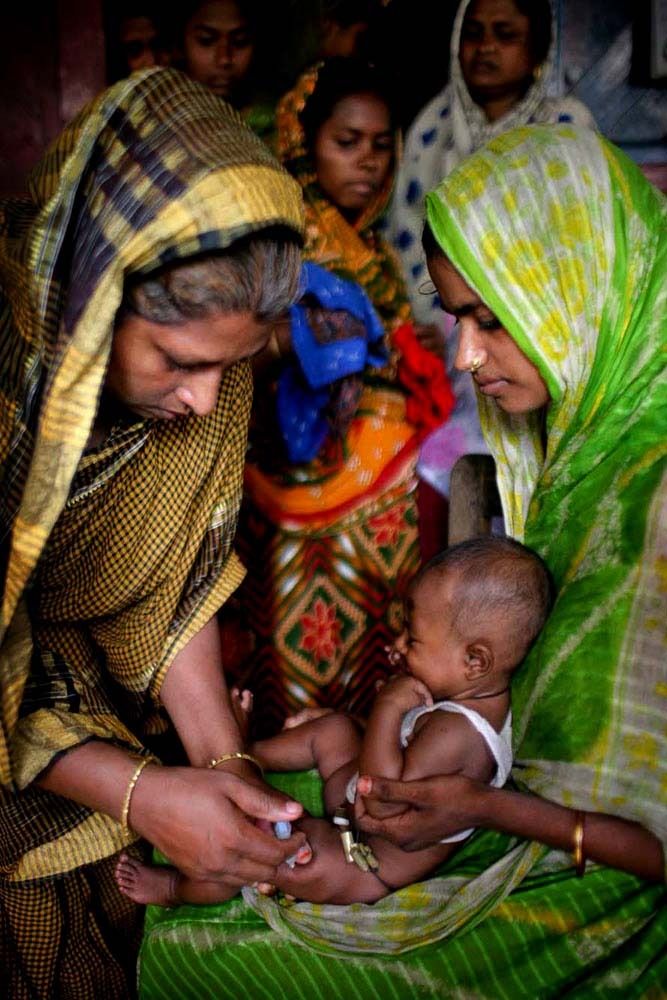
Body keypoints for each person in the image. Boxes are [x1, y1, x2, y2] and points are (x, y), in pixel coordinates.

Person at [138, 123, 665, 1000]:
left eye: (490, 320)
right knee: (209, 824)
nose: (462, 355)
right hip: (488, 811)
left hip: (594, 880)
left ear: (576, 291)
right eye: (455, 316)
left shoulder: (652, 497)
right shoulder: (576, 449)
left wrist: (484, 807)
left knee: (212, 952)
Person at [0, 67, 312, 998]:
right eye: (178, 361)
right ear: (92, 307)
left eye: (236, 363)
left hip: (88, 712)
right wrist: (142, 793)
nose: (207, 400)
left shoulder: (206, 376)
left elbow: (176, 582)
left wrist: (225, 766)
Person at [115, 535, 553, 907]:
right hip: (351, 794)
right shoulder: (467, 699)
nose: (399, 645)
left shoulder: (460, 736)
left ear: (474, 661)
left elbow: (379, 806)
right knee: (336, 729)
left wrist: (387, 706)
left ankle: (176, 887)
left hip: (361, 857)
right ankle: (237, 755)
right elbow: (396, 747)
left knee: (264, 848)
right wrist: (379, 719)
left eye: (413, 639)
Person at [223, 57, 453, 737]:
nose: (369, 163)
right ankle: (303, 754)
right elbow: (247, 354)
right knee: (303, 641)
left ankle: (364, 750)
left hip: (379, 485)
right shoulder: (283, 245)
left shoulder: (375, 249)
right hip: (297, 479)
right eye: (346, 142)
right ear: (301, 140)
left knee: (381, 629)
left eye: (382, 145)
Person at [388, 0, 596, 550]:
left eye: (505, 34)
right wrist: (424, 317)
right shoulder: (433, 129)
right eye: (474, 33)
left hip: (532, 339)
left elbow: (577, 248)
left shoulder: (565, 125)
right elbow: (408, 236)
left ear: (536, 52)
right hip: (446, 342)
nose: (485, 47)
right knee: (444, 474)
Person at [174, 0, 281, 145]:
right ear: (179, 47)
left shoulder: (279, 122)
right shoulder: (157, 123)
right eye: (206, 40)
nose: (224, 59)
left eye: (240, 42)